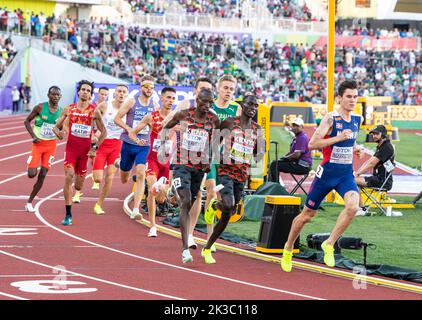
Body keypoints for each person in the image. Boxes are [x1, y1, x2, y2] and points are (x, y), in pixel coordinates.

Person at [280, 80, 362, 272]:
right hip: (326, 174)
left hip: (345, 175)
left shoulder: (358, 119)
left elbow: (347, 143)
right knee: (307, 215)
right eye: (348, 96)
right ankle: (288, 247)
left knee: (353, 206)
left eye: (355, 96)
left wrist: (354, 148)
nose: (352, 100)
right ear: (339, 98)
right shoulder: (330, 119)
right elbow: (312, 144)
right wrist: (338, 138)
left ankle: (329, 243)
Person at [202, 94, 265, 264]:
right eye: (249, 104)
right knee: (229, 204)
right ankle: (208, 245)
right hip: (226, 170)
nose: (253, 107)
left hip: (241, 174)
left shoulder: (257, 129)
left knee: (229, 211)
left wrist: (259, 145)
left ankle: (207, 245)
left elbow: (258, 155)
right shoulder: (230, 122)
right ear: (242, 105)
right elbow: (215, 142)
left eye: (255, 105)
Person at [161, 88, 220, 263]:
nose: (207, 105)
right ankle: (185, 248)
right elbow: (167, 126)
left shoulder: (213, 120)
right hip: (182, 164)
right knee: (185, 203)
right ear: (197, 100)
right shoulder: (183, 114)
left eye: (210, 103)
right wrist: (164, 143)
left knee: (192, 200)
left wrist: (210, 157)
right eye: (204, 102)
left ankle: (175, 189)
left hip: (199, 167)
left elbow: (216, 142)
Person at [52, 80, 107, 226]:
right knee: (68, 176)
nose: (85, 92)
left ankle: (77, 190)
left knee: (78, 186)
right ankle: (68, 214)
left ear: (90, 95)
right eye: (83, 89)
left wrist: (94, 148)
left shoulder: (94, 111)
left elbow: (104, 132)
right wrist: (59, 134)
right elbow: (56, 128)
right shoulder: (68, 109)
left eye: (88, 90)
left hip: (84, 153)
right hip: (71, 150)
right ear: (78, 92)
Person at [200, 74, 242, 252]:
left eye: (231, 89)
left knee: (223, 200)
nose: (228, 92)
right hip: (210, 154)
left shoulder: (237, 108)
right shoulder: (210, 106)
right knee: (211, 191)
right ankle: (210, 238)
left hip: (228, 159)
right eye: (225, 88)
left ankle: (212, 222)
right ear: (218, 88)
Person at [129, 87, 176, 237]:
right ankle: (152, 226)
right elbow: (133, 132)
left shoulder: (177, 118)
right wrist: (138, 140)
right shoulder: (151, 117)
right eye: (168, 98)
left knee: (161, 196)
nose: (170, 101)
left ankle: (161, 197)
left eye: (173, 99)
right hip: (153, 159)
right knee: (152, 187)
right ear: (161, 99)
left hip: (167, 163)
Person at [114, 75, 159, 219]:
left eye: (151, 87)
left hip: (143, 145)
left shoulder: (155, 106)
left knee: (141, 174)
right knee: (124, 178)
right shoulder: (132, 101)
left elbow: (157, 125)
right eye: (146, 86)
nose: (149, 89)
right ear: (141, 88)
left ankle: (135, 209)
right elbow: (117, 118)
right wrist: (128, 129)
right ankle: (120, 164)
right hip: (128, 143)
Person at [23, 86, 62, 212]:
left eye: (58, 95)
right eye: (53, 94)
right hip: (38, 144)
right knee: (31, 174)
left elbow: (61, 129)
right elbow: (27, 121)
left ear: (60, 97)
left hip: (51, 146)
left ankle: (29, 202)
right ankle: (30, 165)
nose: (55, 97)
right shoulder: (40, 107)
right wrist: (33, 136)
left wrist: (60, 132)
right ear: (48, 95)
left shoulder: (62, 112)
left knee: (43, 174)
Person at [91, 84, 129, 215]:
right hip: (103, 144)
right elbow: (92, 118)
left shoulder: (128, 110)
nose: (121, 94)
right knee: (98, 179)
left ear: (127, 94)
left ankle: (98, 205)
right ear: (114, 93)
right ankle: (95, 165)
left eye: (124, 92)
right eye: (119, 91)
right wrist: (95, 133)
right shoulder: (105, 106)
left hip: (116, 146)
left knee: (110, 177)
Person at [354, 125, 395, 216]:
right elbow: (369, 161)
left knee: (352, 181)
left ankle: (361, 209)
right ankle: (361, 208)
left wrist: (357, 174)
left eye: (377, 134)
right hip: (377, 178)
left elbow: (371, 164)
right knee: (353, 179)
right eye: (373, 134)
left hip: (383, 181)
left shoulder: (386, 147)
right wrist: (356, 173)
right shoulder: (381, 146)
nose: (374, 136)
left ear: (383, 134)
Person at [268, 117, 312, 187]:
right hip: (299, 164)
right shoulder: (298, 137)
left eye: (297, 126)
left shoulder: (302, 137)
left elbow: (296, 155)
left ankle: (275, 187)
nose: (295, 127)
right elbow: (292, 154)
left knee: (274, 164)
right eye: (294, 125)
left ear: (302, 127)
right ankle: (273, 185)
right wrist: (283, 158)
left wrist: (284, 158)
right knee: (275, 163)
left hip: (302, 166)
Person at [91, 86, 110, 190]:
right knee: (91, 159)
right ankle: (95, 176)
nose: (103, 96)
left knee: (96, 156)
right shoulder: (93, 105)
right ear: (98, 94)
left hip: (101, 134)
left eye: (105, 95)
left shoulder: (107, 107)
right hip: (91, 133)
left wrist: (99, 133)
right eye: (102, 94)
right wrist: (92, 134)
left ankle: (96, 181)